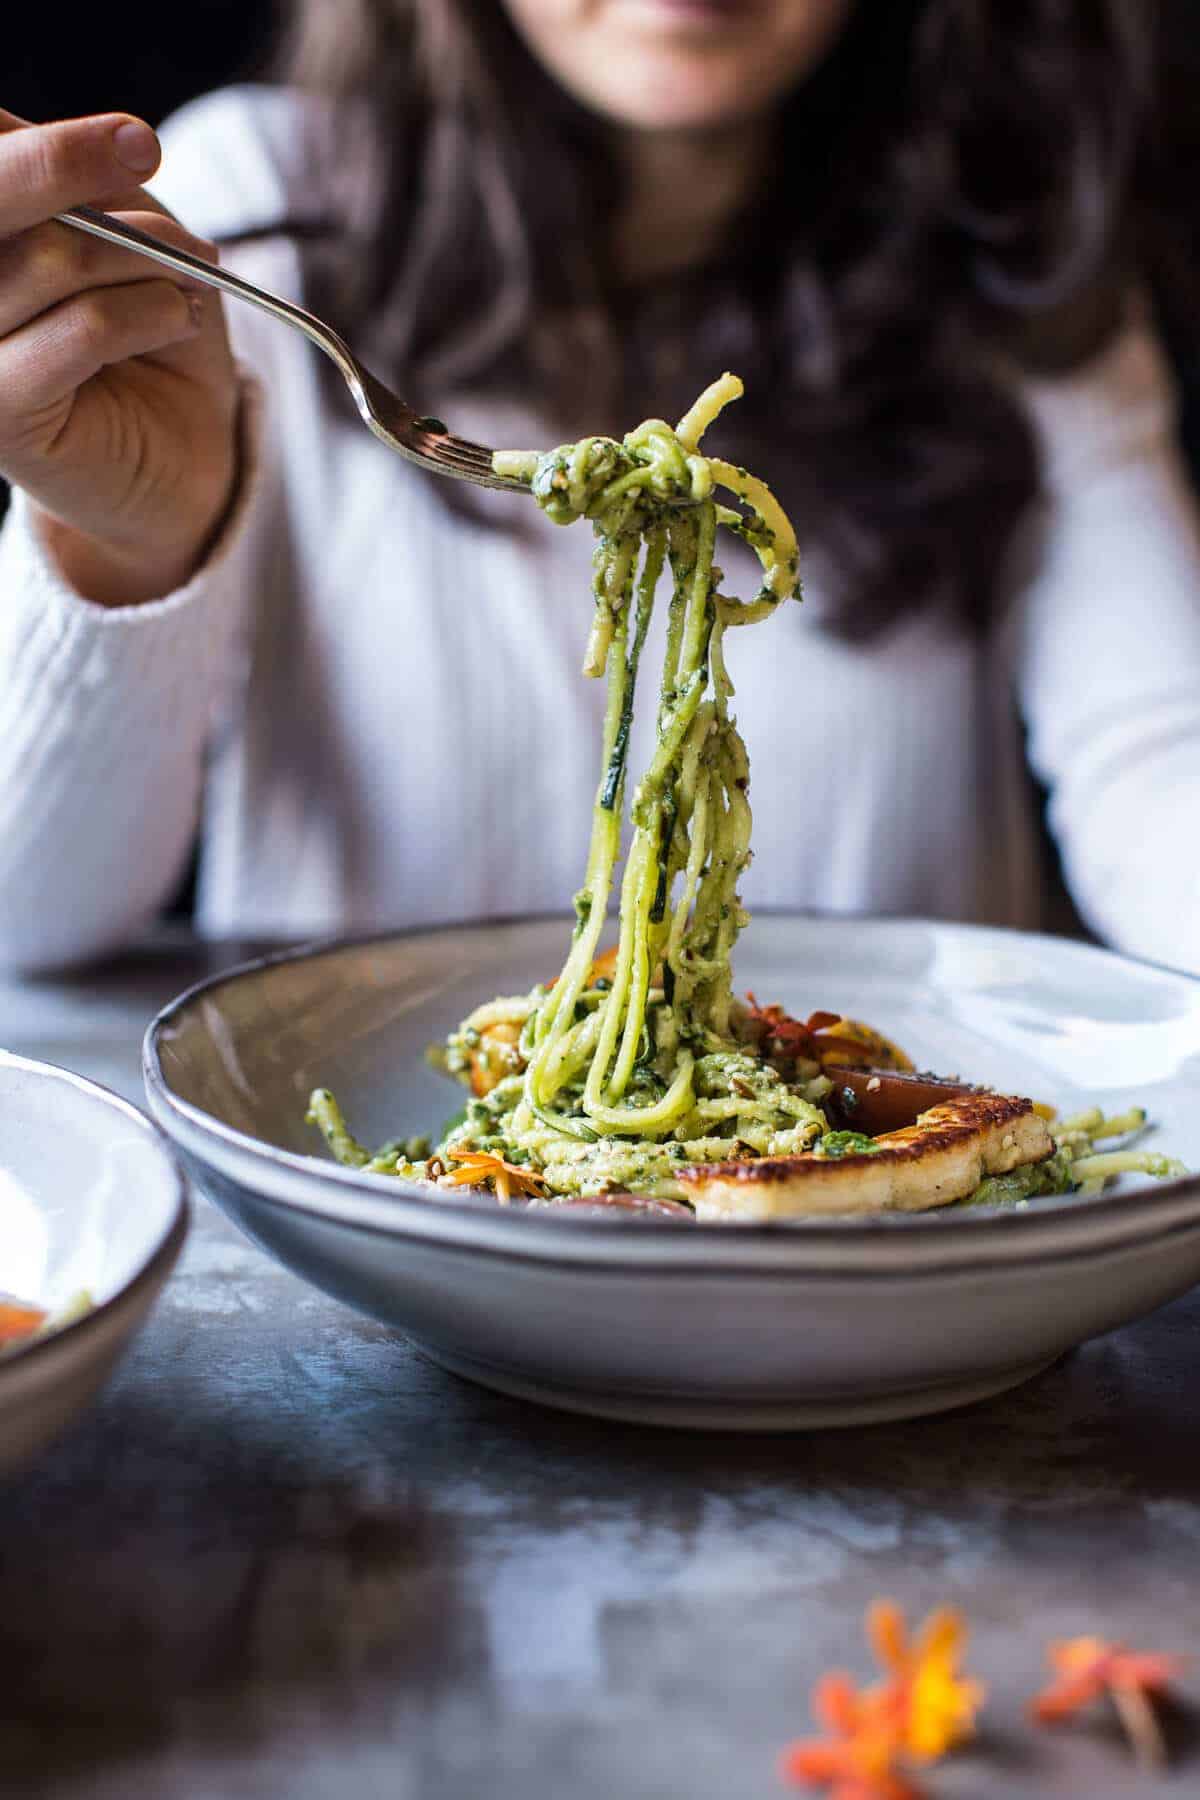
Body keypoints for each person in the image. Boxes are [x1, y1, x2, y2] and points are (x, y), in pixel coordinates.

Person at [0, 0, 1198, 975]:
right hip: (372, 1207)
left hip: (879, 1223)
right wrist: (132, 543)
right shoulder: (244, 224)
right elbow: (32, 923)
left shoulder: (1020, 263)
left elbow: (1159, 767)